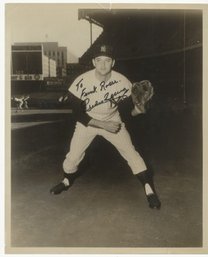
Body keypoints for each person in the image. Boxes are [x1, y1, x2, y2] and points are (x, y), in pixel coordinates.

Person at [50, 44, 161, 209]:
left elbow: (127, 113)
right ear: (94, 62)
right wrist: (103, 125)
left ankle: (149, 189)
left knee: (132, 154)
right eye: (99, 60)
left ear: (113, 62)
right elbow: (78, 114)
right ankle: (66, 180)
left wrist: (138, 110)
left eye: (107, 60)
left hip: (113, 120)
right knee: (72, 158)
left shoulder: (123, 82)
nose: (103, 65)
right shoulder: (81, 81)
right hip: (87, 123)